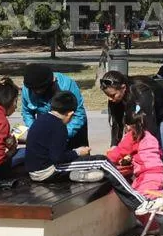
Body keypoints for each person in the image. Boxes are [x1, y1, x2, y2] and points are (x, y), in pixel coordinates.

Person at [25, 91, 155, 214]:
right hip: (48, 171)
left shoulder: (41, 120)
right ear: (70, 114)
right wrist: (77, 152)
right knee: (103, 162)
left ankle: (78, 174)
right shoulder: (59, 127)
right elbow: (57, 157)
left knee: (97, 165)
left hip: (36, 170)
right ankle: (138, 202)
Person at [100, 71, 163, 165]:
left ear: (123, 87)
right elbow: (117, 123)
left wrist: (133, 151)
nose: (110, 99)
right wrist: (114, 145)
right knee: (140, 154)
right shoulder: (114, 99)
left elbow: (149, 125)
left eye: (112, 95)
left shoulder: (141, 90)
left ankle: (156, 178)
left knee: (153, 152)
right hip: (151, 117)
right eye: (108, 96)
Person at [21, 63, 89, 149]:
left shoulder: (67, 85)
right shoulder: (27, 89)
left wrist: (62, 135)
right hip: (46, 132)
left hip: (72, 129)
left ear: (52, 81)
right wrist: (36, 131)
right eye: (34, 90)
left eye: (41, 89)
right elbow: (27, 113)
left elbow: (78, 115)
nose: (37, 92)